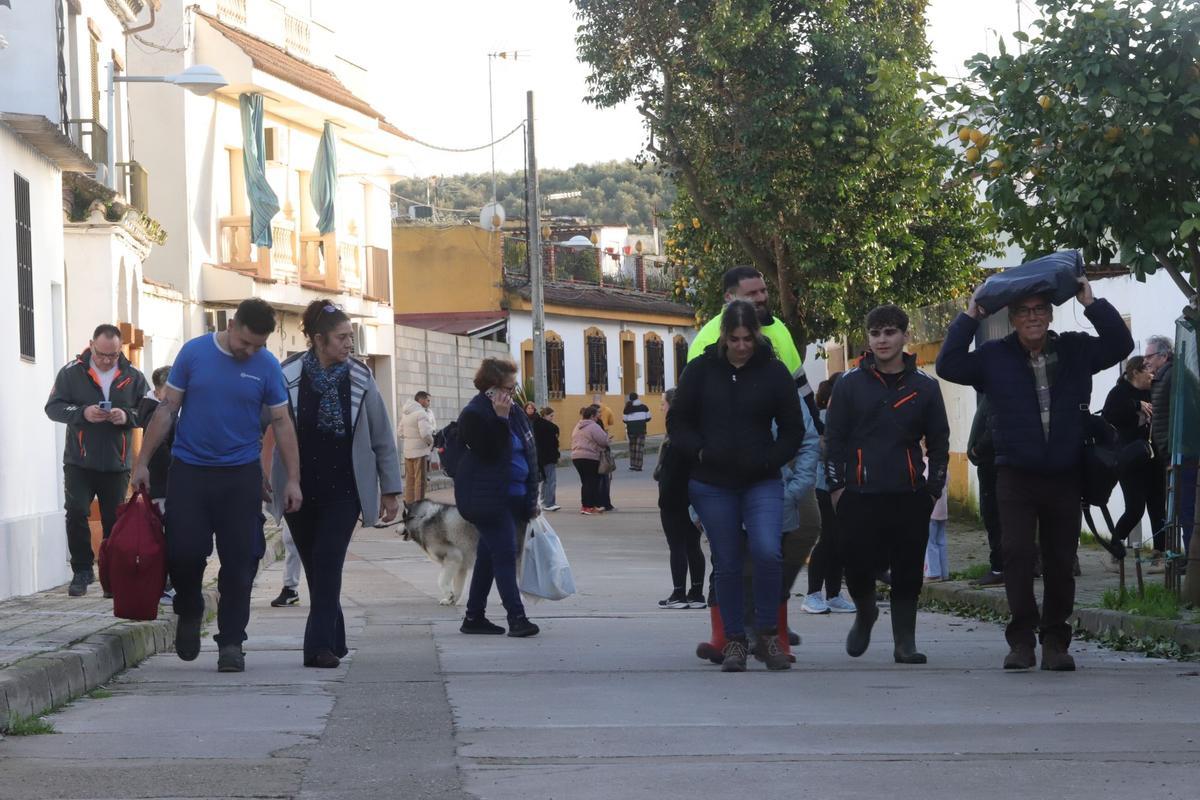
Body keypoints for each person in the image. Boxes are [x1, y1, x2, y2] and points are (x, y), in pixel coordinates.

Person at [937, 278, 1133, 671]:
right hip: (1015, 472)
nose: (1033, 317)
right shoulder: (994, 357)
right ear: (1012, 318)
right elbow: (948, 363)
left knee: (1061, 559)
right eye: (1025, 311)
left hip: (1064, 472)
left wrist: (1091, 302)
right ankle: (1021, 641)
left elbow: (1119, 344)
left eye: (1040, 310)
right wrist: (972, 313)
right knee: (1016, 554)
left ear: (1050, 314)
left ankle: (1056, 641)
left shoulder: (1075, 350)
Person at [132, 298, 303, 673]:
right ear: (231, 324)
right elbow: (166, 410)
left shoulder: (267, 366)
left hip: (240, 476)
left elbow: (282, 422)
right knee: (185, 553)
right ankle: (190, 609)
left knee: (241, 564)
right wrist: (142, 462)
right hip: (190, 472)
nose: (250, 351)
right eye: (245, 343)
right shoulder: (194, 353)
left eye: (258, 345)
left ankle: (231, 642)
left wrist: (292, 478)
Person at [669, 300, 804, 672]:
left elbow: (794, 428)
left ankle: (768, 635)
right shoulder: (700, 371)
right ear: (723, 337)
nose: (742, 346)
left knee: (767, 551)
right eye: (734, 339)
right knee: (727, 562)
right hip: (712, 482)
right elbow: (678, 422)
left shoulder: (774, 372)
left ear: (756, 336)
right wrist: (699, 452)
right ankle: (734, 642)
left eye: (747, 338)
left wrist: (770, 458)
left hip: (761, 479)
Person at [267, 300, 402, 668]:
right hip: (297, 489)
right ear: (318, 339)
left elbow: (381, 436)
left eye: (350, 337)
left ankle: (318, 648)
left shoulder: (361, 377)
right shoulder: (287, 375)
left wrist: (391, 489)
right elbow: (265, 426)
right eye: (342, 337)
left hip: (345, 490)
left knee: (327, 562)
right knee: (315, 568)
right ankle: (336, 637)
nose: (349, 344)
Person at [826, 304, 949, 665]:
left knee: (909, 569)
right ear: (868, 339)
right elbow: (833, 440)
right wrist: (837, 489)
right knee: (857, 565)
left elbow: (939, 443)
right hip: (858, 495)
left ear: (905, 337)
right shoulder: (849, 384)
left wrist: (932, 489)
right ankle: (865, 613)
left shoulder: (925, 387)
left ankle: (904, 643)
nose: (883, 340)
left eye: (890, 332)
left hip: (910, 495)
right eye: (876, 333)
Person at [45, 324, 149, 597]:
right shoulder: (71, 372)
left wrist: (126, 416)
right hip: (79, 460)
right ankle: (82, 570)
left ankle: (111, 575)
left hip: (116, 463)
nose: (106, 360)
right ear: (91, 345)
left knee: (113, 521)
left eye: (113, 355)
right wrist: (82, 413)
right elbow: (53, 407)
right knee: (76, 511)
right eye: (102, 354)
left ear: (121, 349)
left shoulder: (133, 376)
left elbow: (149, 411)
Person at [453, 357, 540, 637]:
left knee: (488, 557)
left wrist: (532, 495)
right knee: (504, 554)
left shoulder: (514, 412)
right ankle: (517, 618)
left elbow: (526, 453)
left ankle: (473, 617)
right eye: (509, 387)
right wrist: (500, 419)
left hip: (514, 495)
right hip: (488, 499)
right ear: (491, 388)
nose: (512, 394)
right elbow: (490, 452)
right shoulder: (475, 413)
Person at [687, 265, 820, 425]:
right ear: (729, 297)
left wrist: (817, 428)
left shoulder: (779, 328)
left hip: (785, 436)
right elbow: (694, 405)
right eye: (751, 294)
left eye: (763, 291)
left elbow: (801, 386)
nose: (761, 298)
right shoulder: (706, 339)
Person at [802, 372, 856, 614]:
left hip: (845, 487)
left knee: (840, 541)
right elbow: (822, 449)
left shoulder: (852, 418)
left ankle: (833, 594)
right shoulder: (822, 418)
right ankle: (812, 594)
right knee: (828, 539)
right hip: (822, 486)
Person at [1102, 356, 1165, 554]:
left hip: (1154, 457)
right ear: (1136, 372)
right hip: (1130, 457)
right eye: (1147, 369)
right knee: (1135, 508)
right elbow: (1108, 415)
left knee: (1157, 506)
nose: (1151, 373)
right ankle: (1115, 547)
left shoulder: (1153, 390)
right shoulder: (1119, 392)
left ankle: (1159, 552)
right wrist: (1136, 406)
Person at [654, 388, 706, 609]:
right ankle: (696, 593)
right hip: (695, 498)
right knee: (693, 545)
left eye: (663, 403)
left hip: (675, 500)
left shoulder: (676, 437)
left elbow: (670, 474)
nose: (661, 407)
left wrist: (664, 499)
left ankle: (678, 594)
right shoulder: (695, 433)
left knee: (677, 545)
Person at [137, 365, 178, 604]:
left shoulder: (161, 409)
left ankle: (166, 584)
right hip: (163, 484)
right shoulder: (155, 414)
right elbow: (161, 453)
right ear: (159, 391)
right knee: (163, 537)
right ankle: (161, 585)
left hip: (168, 484)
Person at [967, 396, 1005, 587]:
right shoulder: (989, 392)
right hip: (993, 461)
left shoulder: (996, 392)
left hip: (992, 463)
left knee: (994, 517)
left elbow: (994, 427)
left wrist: (976, 450)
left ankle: (999, 568)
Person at [572, 406, 611, 515]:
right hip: (590, 457)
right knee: (592, 482)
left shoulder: (578, 426)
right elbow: (603, 441)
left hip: (576, 457)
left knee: (585, 482)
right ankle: (589, 506)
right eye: (596, 416)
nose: (598, 418)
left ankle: (586, 506)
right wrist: (607, 440)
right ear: (592, 416)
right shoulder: (593, 426)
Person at [401, 391, 435, 504]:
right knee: (420, 481)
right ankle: (419, 509)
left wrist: (410, 438)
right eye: (427, 400)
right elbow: (425, 434)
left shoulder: (406, 413)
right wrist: (431, 442)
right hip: (420, 452)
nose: (429, 403)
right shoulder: (421, 413)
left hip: (407, 452)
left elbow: (399, 432)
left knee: (410, 480)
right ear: (421, 400)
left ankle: (409, 507)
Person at [531, 405, 562, 511]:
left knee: (545, 479)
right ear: (544, 415)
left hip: (540, 456)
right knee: (551, 480)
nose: (552, 418)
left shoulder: (535, 425)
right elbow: (554, 442)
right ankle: (549, 503)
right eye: (551, 416)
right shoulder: (550, 427)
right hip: (549, 456)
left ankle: (544, 501)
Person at [924, 456, 950, 582]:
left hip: (930, 509)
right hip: (942, 509)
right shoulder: (941, 465)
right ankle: (944, 572)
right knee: (941, 540)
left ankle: (933, 573)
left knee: (929, 541)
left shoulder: (924, 464)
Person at [622, 392, 652, 471]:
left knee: (632, 448)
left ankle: (633, 465)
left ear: (630, 398)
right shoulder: (644, 407)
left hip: (631, 431)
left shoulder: (627, 408)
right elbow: (648, 418)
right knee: (639, 448)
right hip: (641, 430)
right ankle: (638, 466)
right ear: (637, 398)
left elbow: (624, 420)